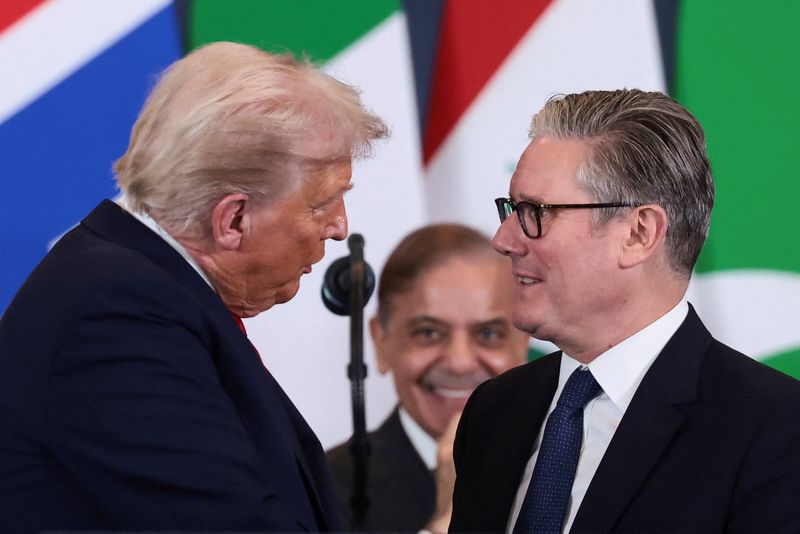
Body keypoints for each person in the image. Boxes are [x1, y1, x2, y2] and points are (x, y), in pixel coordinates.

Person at [0, 42, 388, 532]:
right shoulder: (116, 315)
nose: (338, 227)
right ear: (234, 219)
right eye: (322, 204)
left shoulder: (140, 289)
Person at [449, 89, 800, 533]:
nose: (503, 239)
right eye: (511, 209)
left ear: (638, 233)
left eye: (534, 212)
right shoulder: (494, 411)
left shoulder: (776, 431)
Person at [326, 224, 530, 533]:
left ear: (524, 343)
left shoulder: (566, 462)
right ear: (381, 342)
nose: (460, 363)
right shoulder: (322, 488)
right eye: (428, 332)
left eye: (488, 333)